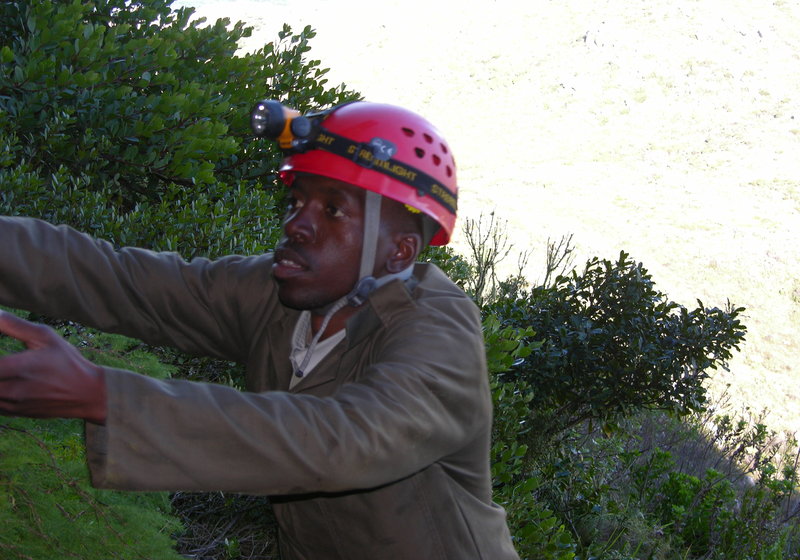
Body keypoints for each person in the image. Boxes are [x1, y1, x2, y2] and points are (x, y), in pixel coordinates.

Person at [0, 101, 520, 559]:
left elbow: (344, 442)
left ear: (400, 251)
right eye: (297, 202)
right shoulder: (279, 295)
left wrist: (105, 395)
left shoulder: (439, 328)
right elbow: (123, 281)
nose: (296, 224)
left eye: (332, 209)